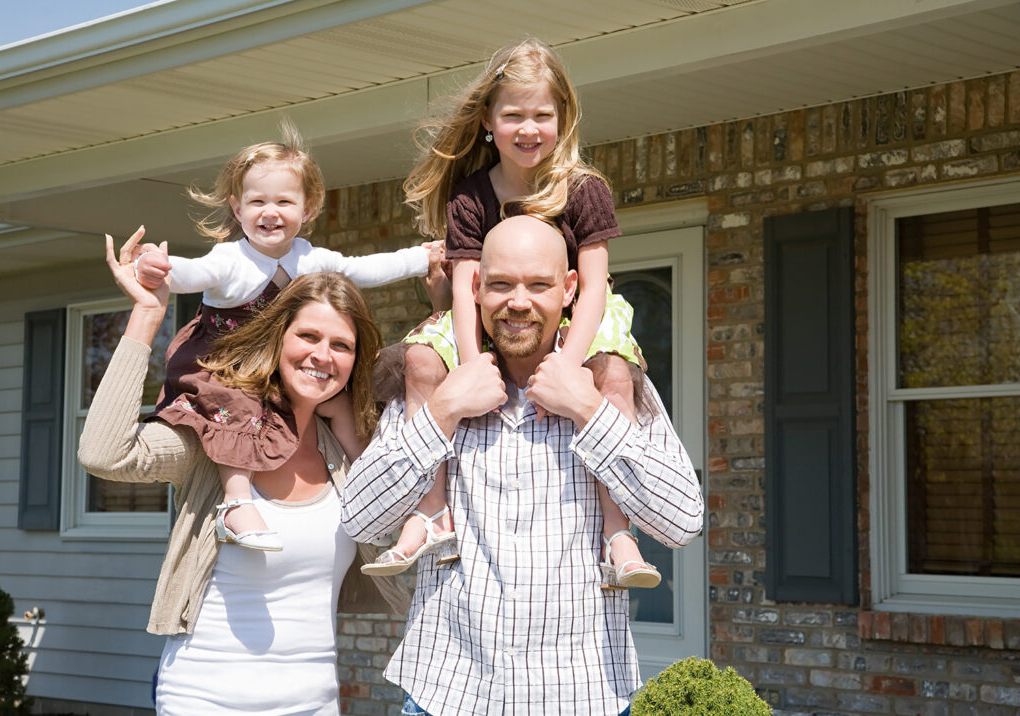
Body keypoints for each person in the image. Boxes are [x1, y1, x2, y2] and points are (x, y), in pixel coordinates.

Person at [341, 215, 704, 716]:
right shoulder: (438, 379)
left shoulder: (609, 381)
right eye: (501, 284)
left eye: (538, 284)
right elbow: (360, 519)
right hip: (446, 692)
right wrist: (444, 412)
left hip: (582, 695)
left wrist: (588, 411)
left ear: (571, 288)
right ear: (475, 287)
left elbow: (682, 521)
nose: (518, 301)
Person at [361, 38, 657, 588]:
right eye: (513, 114)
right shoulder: (471, 197)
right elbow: (465, 285)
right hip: (486, 313)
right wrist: (473, 366)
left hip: (574, 315)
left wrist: (569, 366)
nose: (529, 128)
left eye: (543, 114)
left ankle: (618, 531)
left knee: (613, 377)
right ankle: (432, 511)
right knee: (423, 363)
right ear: (487, 122)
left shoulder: (584, 189)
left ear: (563, 118)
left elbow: (592, 285)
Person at [79, 229, 410, 715]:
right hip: (204, 698)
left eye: (342, 344)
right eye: (309, 336)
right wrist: (148, 316)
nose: (323, 355)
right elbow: (104, 453)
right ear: (279, 340)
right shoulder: (216, 440)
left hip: (313, 702)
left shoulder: (343, 455)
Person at [133, 123, 444, 552]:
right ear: (236, 207)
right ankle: (236, 502)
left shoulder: (311, 258)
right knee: (237, 408)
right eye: (256, 201)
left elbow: (363, 269)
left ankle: (369, 477)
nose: (270, 212)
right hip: (226, 367)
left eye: (284, 201)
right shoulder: (230, 259)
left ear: (309, 208)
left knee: (338, 402)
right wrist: (162, 267)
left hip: (274, 368)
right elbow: (195, 273)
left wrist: (418, 258)